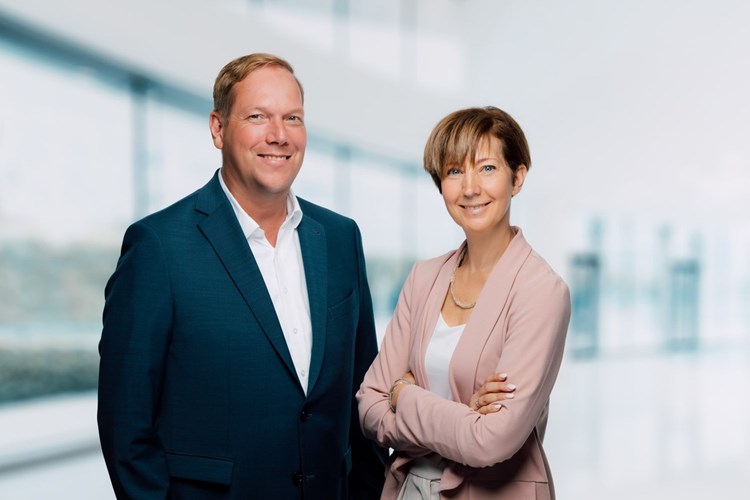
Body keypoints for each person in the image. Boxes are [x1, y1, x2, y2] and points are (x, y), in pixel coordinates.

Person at [98, 53, 386, 499]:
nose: (279, 135)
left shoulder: (340, 238)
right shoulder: (158, 247)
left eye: (293, 118)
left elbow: (362, 394)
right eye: (257, 116)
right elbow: (126, 427)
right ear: (218, 128)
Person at [356, 106, 571, 499]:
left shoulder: (542, 291)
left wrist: (403, 395)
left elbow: (490, 442)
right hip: (410, 488)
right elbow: (369, 408)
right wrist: (464, 417)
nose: (470, 188)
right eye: (455, 171)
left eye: (487, 168)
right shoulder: (423, 278)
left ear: (517, 177)